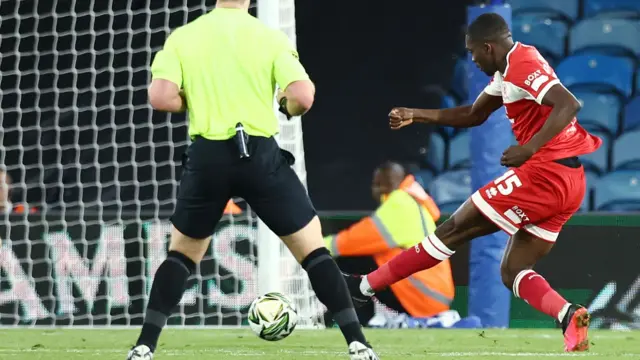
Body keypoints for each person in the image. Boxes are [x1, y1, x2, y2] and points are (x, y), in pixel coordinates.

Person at [128, 1, 378, 359]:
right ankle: (358, 344)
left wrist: (193, 100)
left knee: (181, 256)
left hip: (208, 158)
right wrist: (284, 105)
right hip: (260, 157)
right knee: (314, 252)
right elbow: (303, 97)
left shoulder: (185, 37)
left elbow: (160, 97)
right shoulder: (268, 37)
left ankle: (144, 346)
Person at [344, 13, 601, 352]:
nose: (472, 59)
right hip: (570, 180)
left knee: (452, 230)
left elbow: (569, 103)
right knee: (513, 270)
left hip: (545, 174)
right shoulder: (508, 70)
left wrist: (529, 148)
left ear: (488, 47)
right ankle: (569, 315)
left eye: (472, 52)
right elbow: (474, 114)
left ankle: (364, 288)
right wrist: (416, 113)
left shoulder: (521, 64)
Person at [323, 161, 454, 326]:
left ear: (382, 185)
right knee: (368, 264)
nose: (374, 189)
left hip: (423, 297)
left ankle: (347, 322)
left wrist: (314, 247)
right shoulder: (413, 202)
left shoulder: (400, 204)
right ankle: (362, 320)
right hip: (434, 294)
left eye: (376, 184)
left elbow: (351, 241)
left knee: (347, 261)